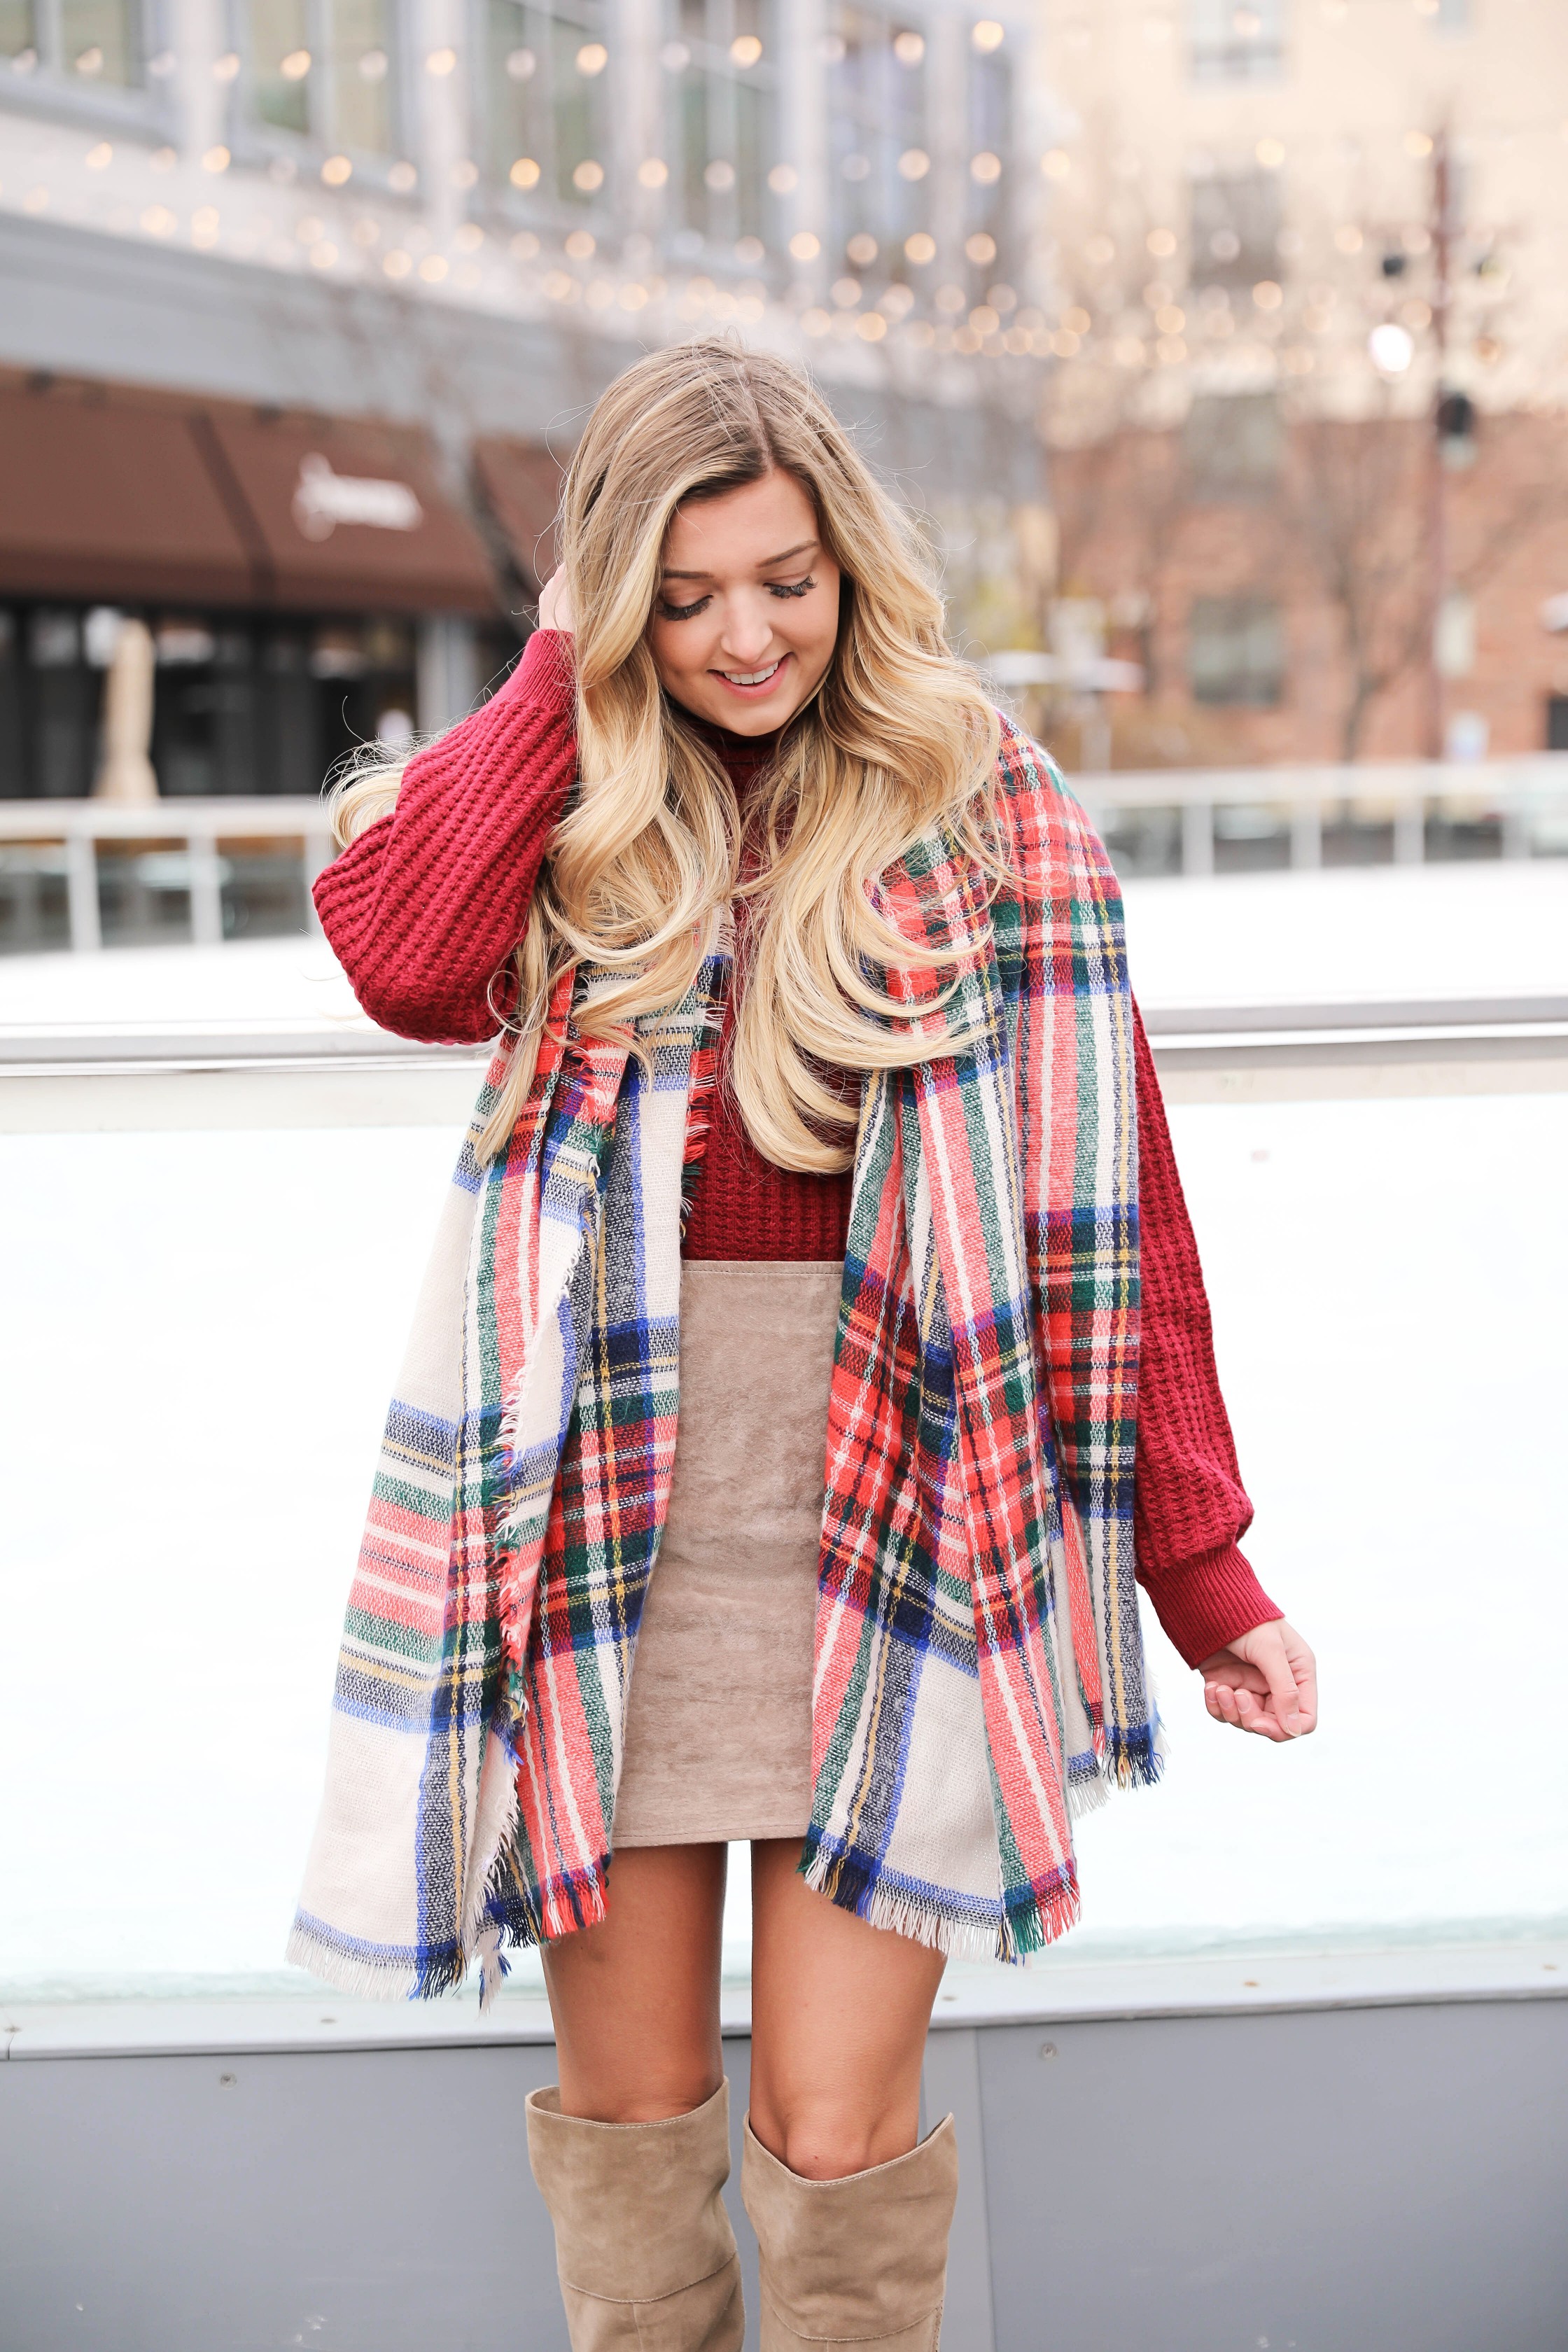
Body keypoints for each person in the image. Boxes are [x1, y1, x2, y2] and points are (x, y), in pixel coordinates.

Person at [290, 342, 1317, 2352]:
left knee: (837, 2137)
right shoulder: (569, 801)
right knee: (634, 2116)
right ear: (613, 600)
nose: (744, 634)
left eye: (784, 577)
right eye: (683, 596)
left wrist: (1207, 1577)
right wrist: (561, 670)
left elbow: (1116, 1207)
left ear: (850, 563)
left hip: (910, 1497)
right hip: (609, 1520)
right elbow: (403, 958)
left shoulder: (978, 794)